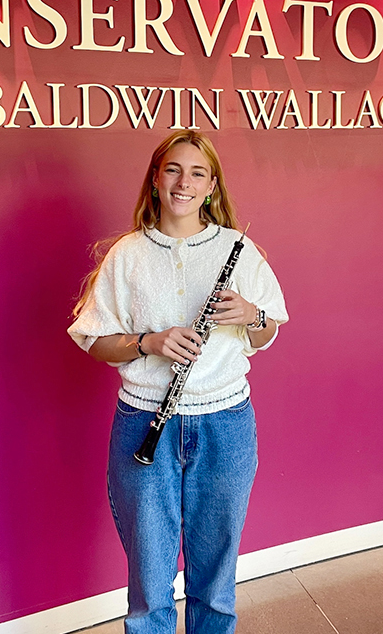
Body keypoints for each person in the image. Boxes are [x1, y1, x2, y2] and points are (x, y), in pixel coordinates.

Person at [68, 129, 288, 634]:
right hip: (146, 420)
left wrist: (252, 315)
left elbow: (265, 335)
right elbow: (93, 340)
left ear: (212, 186)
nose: (183, 182)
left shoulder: (239, 248)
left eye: (197, 173)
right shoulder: (127, 254)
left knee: (215, 579)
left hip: (226, 423)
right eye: (172, 169)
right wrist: (149, 341)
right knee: (150, 583)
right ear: (155, 179)